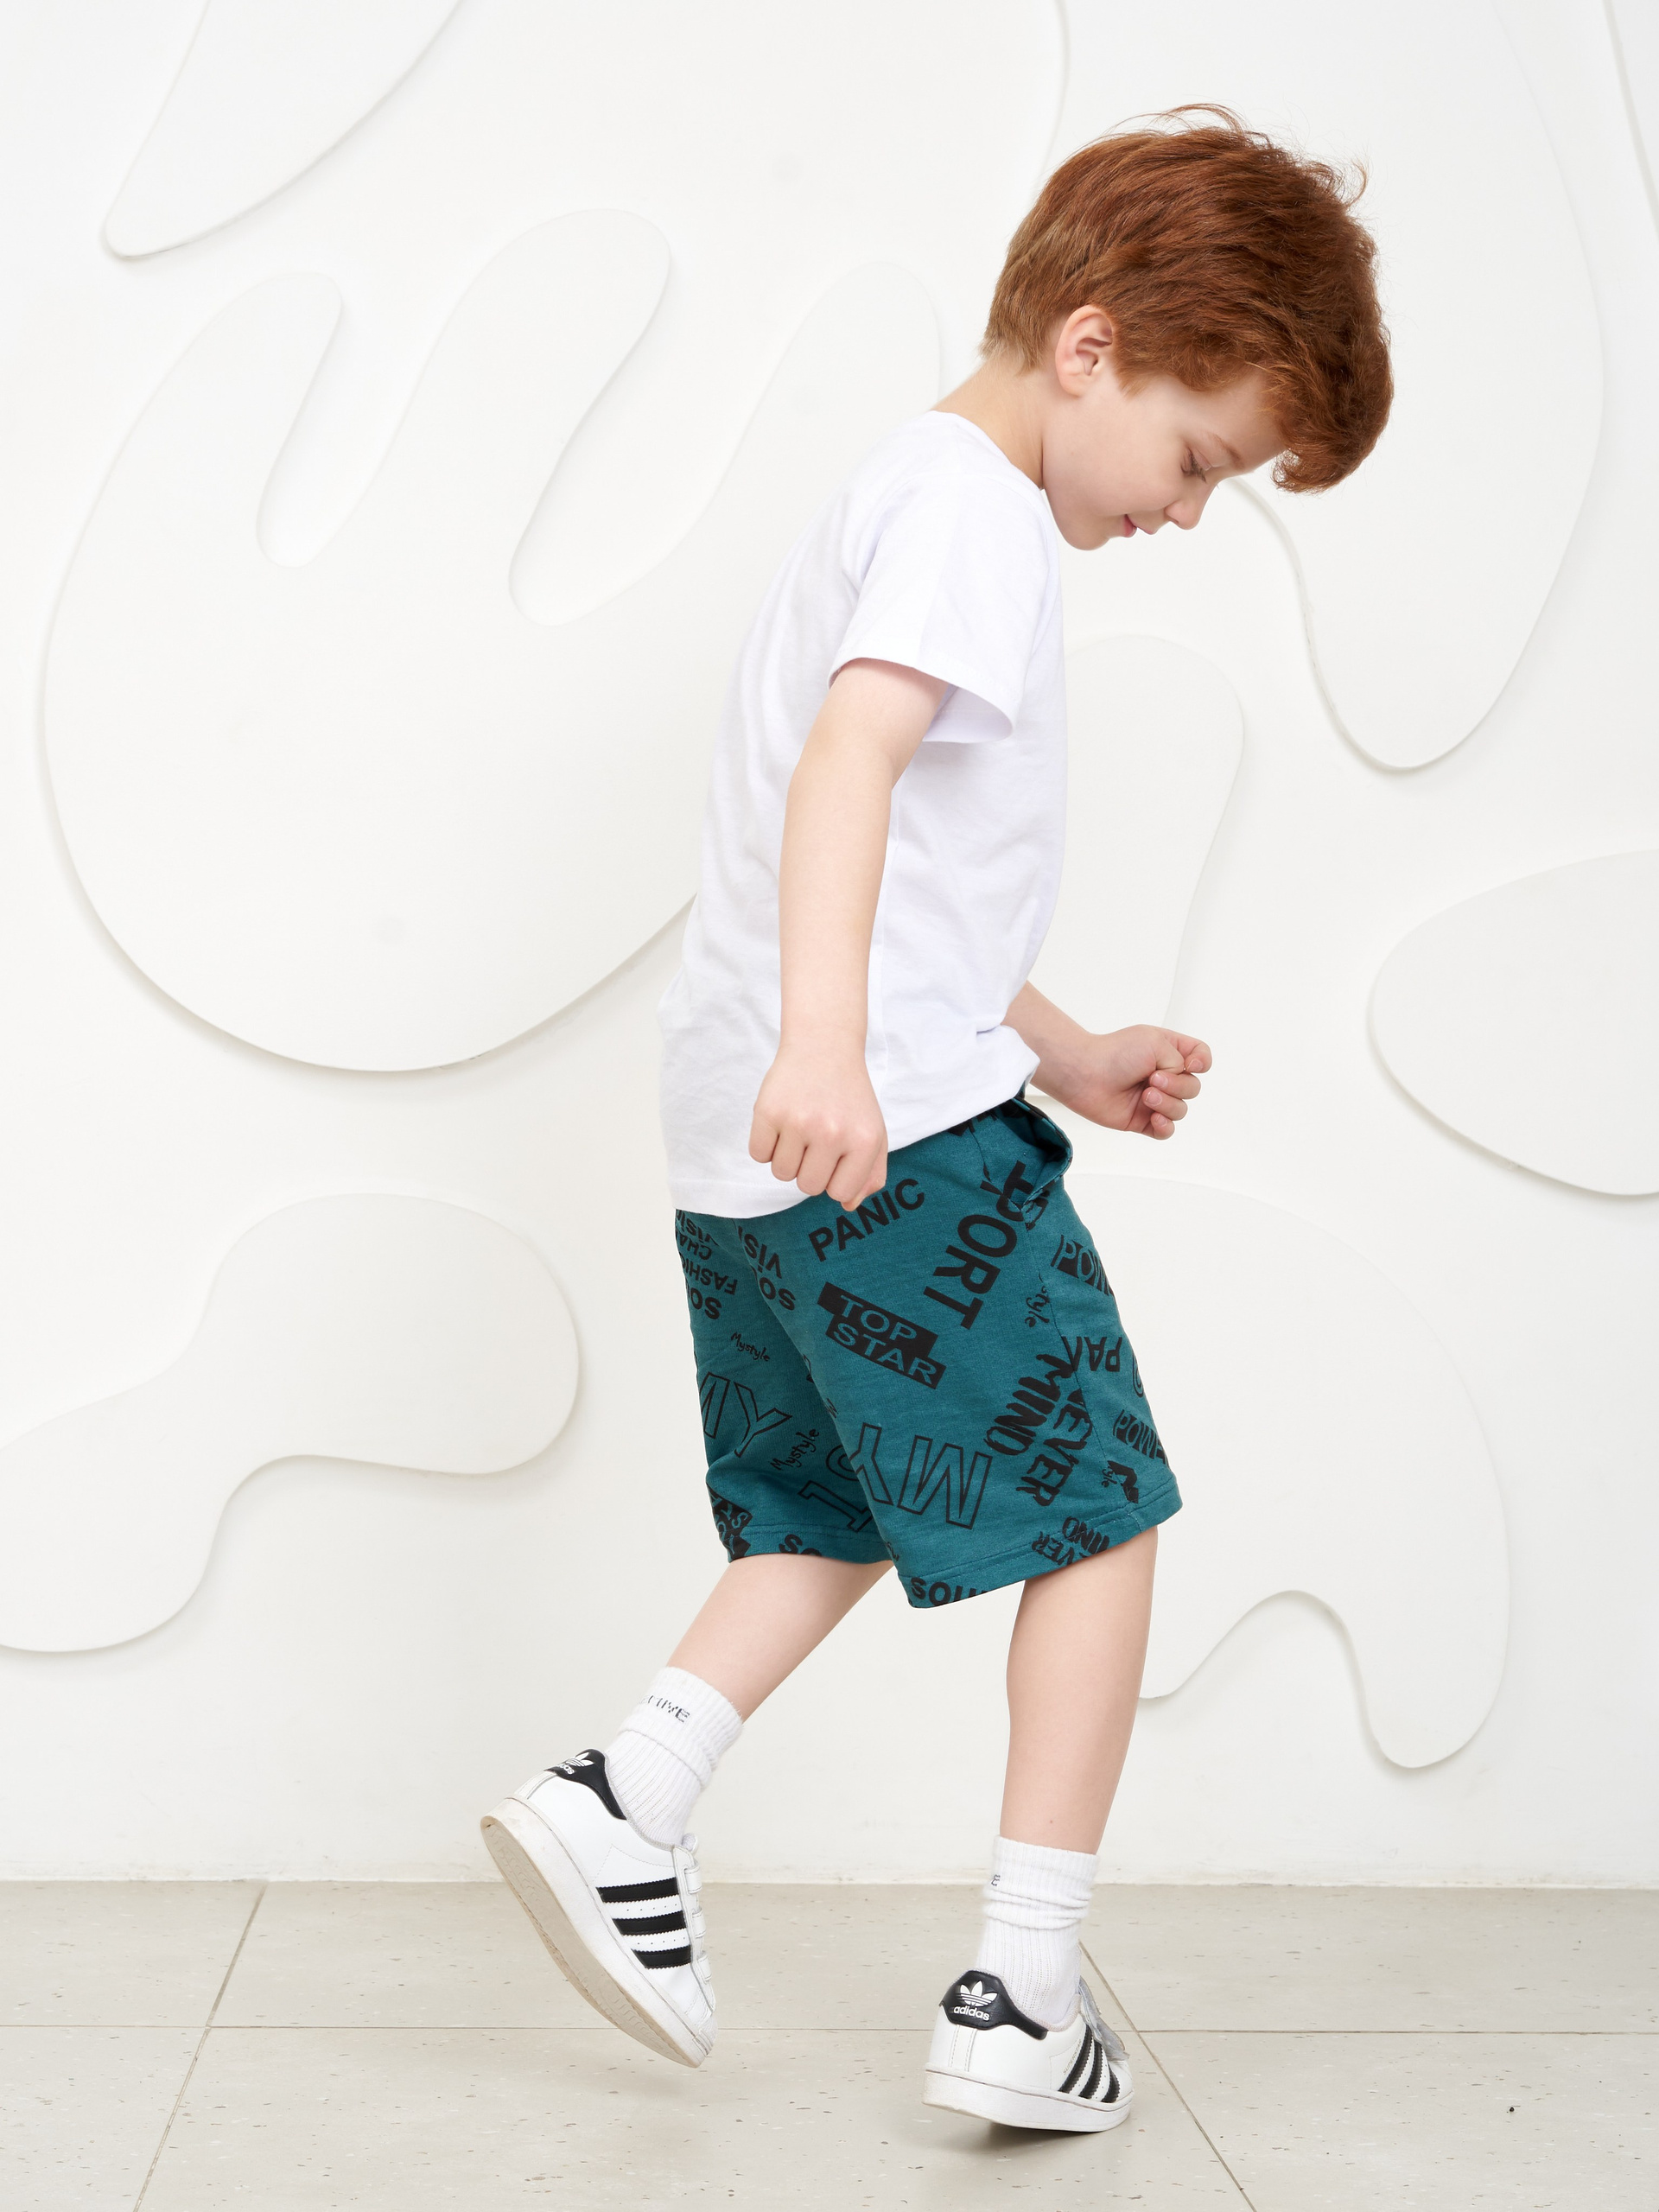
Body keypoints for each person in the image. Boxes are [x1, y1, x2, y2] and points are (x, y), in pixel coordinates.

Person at [482, 109, 1391, 2134]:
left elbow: (911, 884)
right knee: (1104, 1508)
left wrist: (1058, 1050)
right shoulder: (975, 518)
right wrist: (842, 1049)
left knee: (829, 1500)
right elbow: (850, 771)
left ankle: (628, 1791)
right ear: (1092, 346)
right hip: (870, 1122)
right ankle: (1023, 1981)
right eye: (1200, 458)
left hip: (755, 1130)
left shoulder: (901, 494)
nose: (1189, 511)